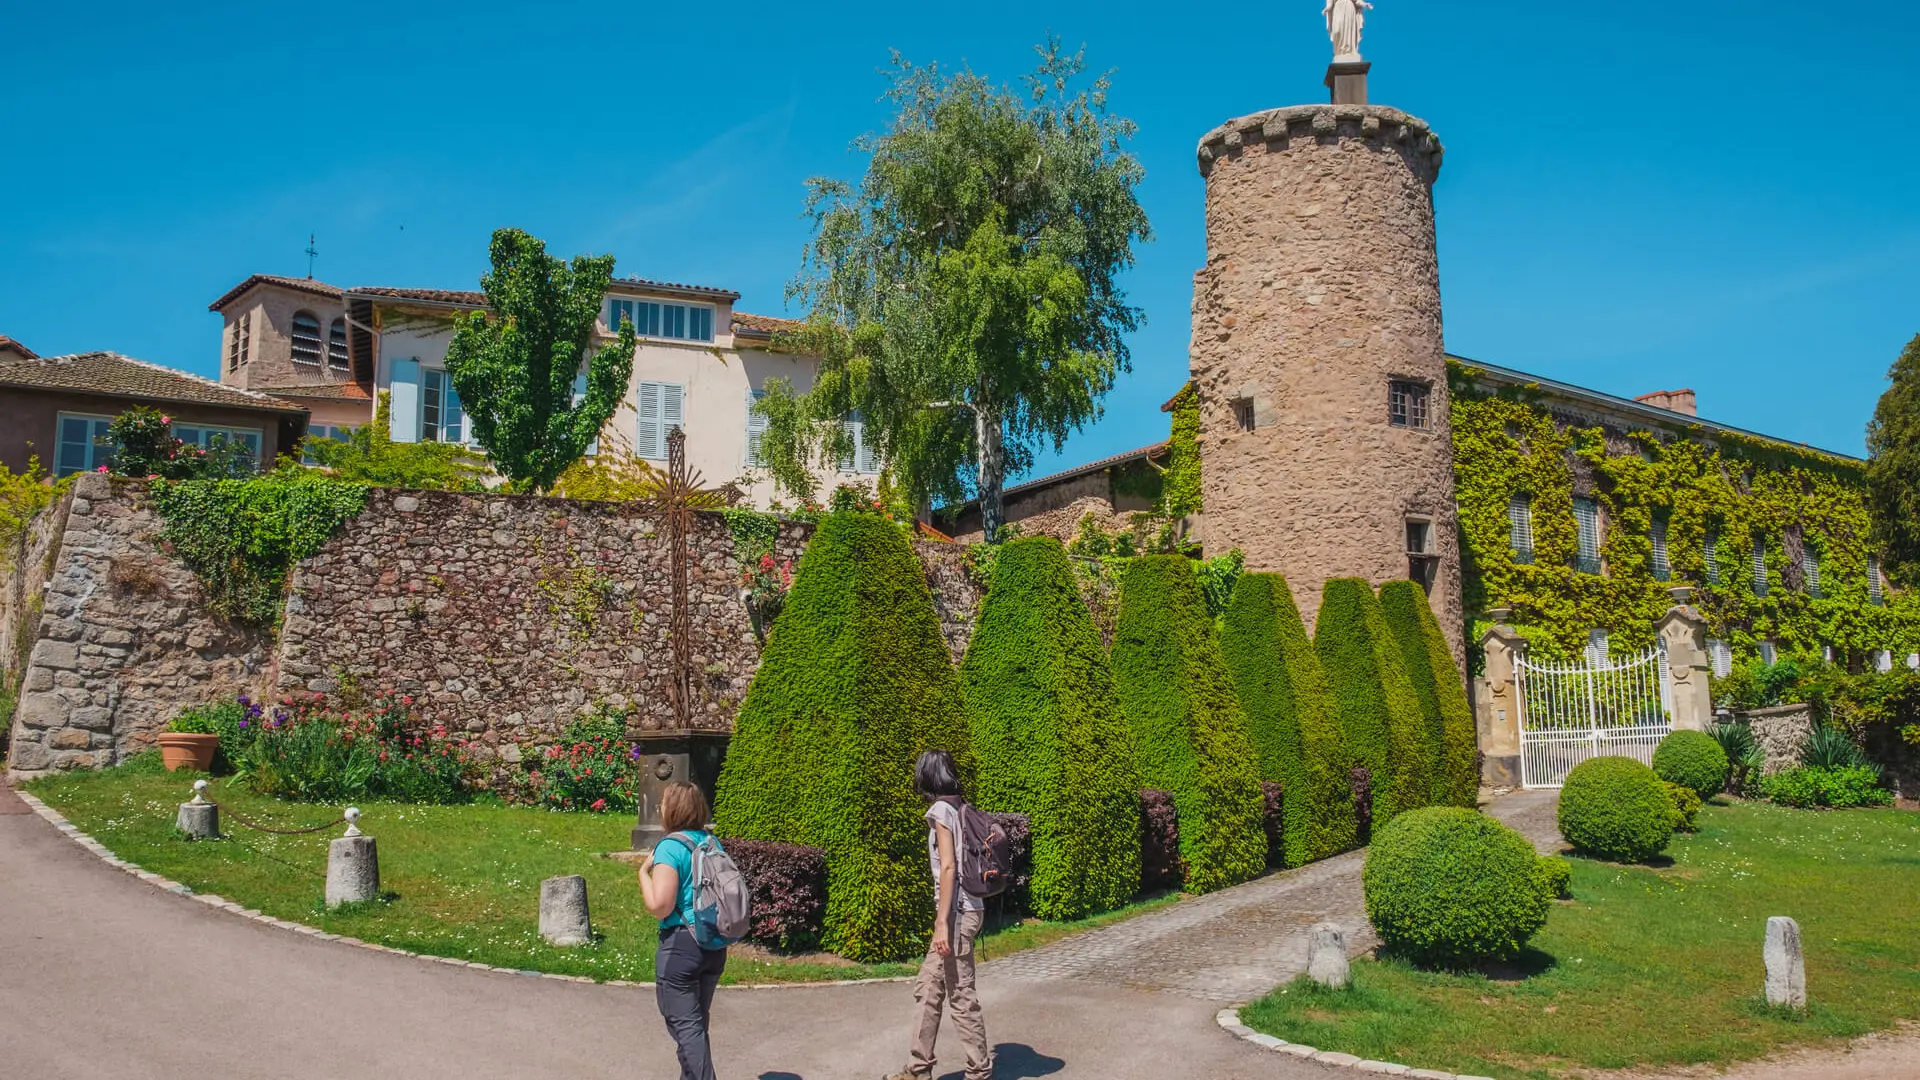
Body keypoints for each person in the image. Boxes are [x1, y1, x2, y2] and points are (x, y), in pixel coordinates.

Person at [885, 749, 993, 1080]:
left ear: (927, 776)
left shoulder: (942, 811)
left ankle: (979, 1072)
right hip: (968, 910)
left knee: (961, 996)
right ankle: (918, 1069)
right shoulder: (961, 807)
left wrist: (941, 923)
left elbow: (948, 867)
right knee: (929, 988)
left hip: (956, 915)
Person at [639, 781, 728, 1080]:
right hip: (713, 943)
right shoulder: (711, 843)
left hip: (681, 947)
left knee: (686, 1028)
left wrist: (643, 873)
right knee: (695, 1028)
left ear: (671, 809)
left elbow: (660, 906)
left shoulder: (670, 847)